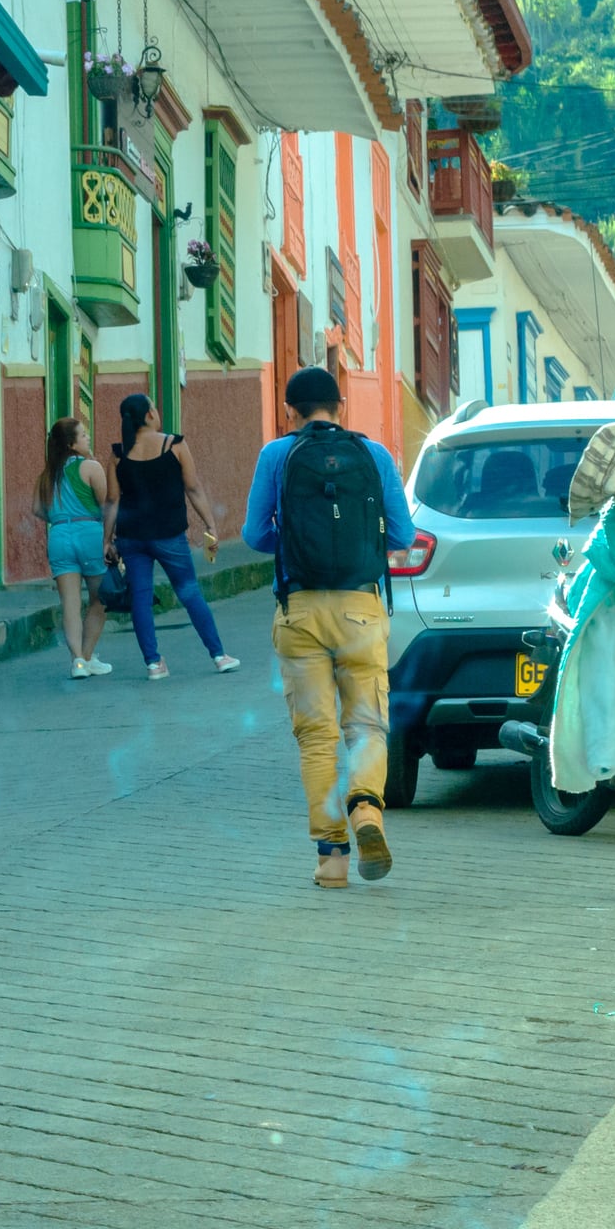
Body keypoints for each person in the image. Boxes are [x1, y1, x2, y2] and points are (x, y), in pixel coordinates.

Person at [243, 367, 415, 889]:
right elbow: (403, 534)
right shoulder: (375, 455)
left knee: (316, 736)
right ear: (340, 405)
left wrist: (295, 548)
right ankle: (366, 808)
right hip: (361, 609)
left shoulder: (276, 455)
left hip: (300, 612)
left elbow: (253, 534)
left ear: (289, 410)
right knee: (366, 724)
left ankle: (332, 860)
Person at [101, 393, 238, 679]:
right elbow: (193, 488)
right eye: (154, 406)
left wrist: (107, 539)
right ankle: (218, 655)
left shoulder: (117, 454)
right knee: (189, 592)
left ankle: (153, 664)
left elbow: (113, 501)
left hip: (132, 537)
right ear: (150, 414)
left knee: (140, 598)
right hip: (169, 535)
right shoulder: (174, 445)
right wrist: (210, 523)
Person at [35, 416, 112, 678]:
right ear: (71, 444)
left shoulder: (47, 474)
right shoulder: (91, 467)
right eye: (83, 435)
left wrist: (60, 517)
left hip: (58, 535)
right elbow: (106, 504)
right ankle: (88, 657)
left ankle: (77, 661)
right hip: (89, 532)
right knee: (99, 599)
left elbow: (37, 509)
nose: (87, 438)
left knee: (69, 602)